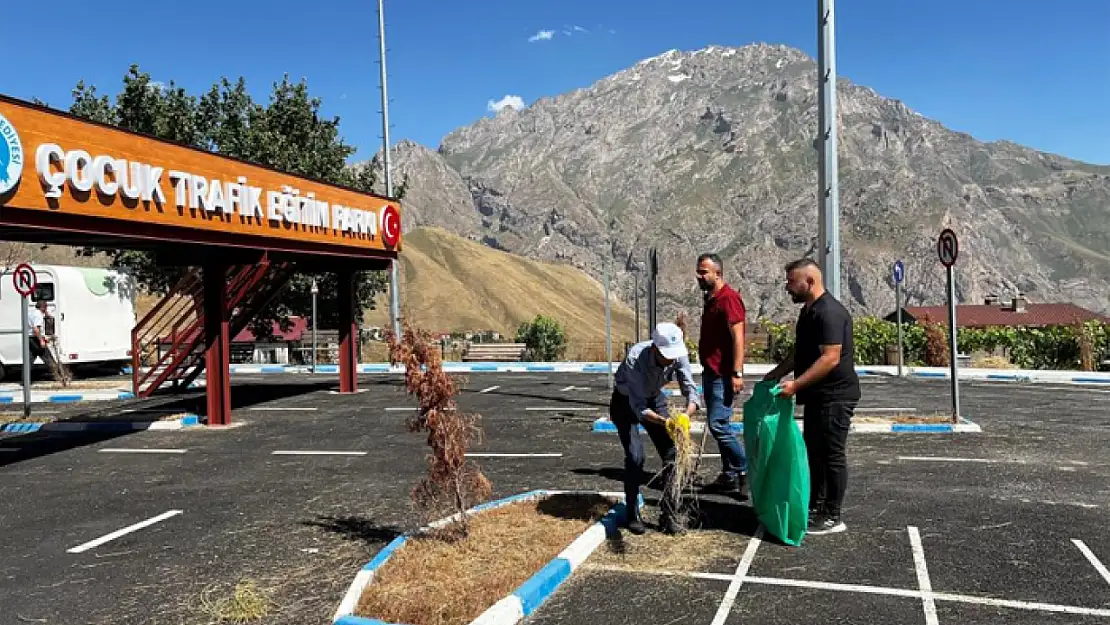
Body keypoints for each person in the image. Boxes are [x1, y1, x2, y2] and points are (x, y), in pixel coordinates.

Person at [763, 259, 860, 535]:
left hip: (836, 395)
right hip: (818, 394)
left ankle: (832, 515)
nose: (787, 287)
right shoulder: (808, 312)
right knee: (813, 452)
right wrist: (775, 373)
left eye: (791, 281)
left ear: (810, 281)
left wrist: (794, 385)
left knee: (831, 454)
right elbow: (801, 352)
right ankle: (815, 506)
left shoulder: (829, 312)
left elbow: (830, 358)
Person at [611, 322, 701, 536]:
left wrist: (685, 416)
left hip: (654, 398)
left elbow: (691, 390)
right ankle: (632, 513)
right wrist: (665, 422)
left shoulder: (678, 354)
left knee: (672, 453)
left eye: (673, 355)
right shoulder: (635, 358)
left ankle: (669, 513)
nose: (671, 360)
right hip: (626, 402)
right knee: (635, 458)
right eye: (665, 356)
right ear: (655, 349)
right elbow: (638, 406)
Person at [695, 253, 749, 496]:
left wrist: (736, 372)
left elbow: (738, 337)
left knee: (718, 425)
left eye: (704, 271)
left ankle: (744, 468)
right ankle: (729, 475)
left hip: (723, 374)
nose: (700, 276)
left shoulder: (729, 299)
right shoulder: (711, 299)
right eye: (699, 271)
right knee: (720, 424)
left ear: (718, 273)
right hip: (710, 371)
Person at [27, 299, 58, 376]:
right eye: (46, 307)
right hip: (36, 339)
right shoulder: (38, 315)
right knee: (48, 357)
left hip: (30, 338)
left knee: (29, 360)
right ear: (43, 307)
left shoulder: (32, 312)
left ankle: (25, 379)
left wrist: (46, 314)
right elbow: (36, 329)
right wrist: (41, 340)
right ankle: (59, 376)